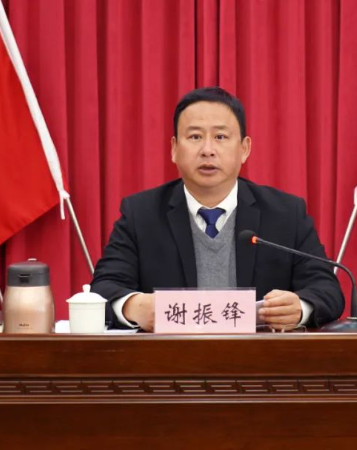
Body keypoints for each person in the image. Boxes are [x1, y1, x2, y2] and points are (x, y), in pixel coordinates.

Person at [91, 87, 344, 331]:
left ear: (244, 149)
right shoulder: (141, 214)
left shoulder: (286, 214)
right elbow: (103, 288)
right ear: (174, 149)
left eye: (220, 137)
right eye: (195, 137)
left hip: (259, 358)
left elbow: (327, 290)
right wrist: (134, 307)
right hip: (170, 358)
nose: (207, 150)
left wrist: (300, 308)